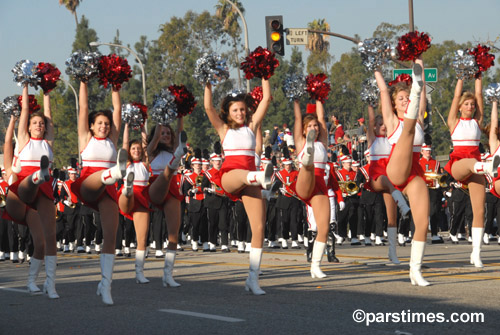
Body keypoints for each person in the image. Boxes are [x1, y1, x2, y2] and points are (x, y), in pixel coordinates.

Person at [204, 78, 272, 295]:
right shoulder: (224, 129)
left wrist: (265, 75)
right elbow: (208, 107)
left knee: (259, 228)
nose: (240, 113)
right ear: (228, 112)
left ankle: (253, 278)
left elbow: (267, 99)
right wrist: (207, 83)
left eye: (243, 109)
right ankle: (259, 177)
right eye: (235, 110)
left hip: (252, 180)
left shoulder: (251, 127)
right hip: (231, 177)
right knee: (245, 175)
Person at [374, 57, 430, 285]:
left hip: (414, 171)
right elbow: (382, 91)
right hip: (395, 168)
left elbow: (423, 92)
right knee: (407, 132)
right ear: (395, 104)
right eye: (401, 98)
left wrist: (420, 63)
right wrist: (375, 66)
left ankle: (414, 270)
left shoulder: (418, 120)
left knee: (423, 221)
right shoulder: (392, 119)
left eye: (408, 98)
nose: (405, 101)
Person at [71, 80, 127, 305]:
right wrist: (85, 80)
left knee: (111, 236)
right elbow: (83, 107)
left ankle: (105, 285)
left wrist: (116, 85)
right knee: (102, 178)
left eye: (106, 123)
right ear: (91, 126)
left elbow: (118, 111)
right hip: (88, 184)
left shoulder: (113, 140)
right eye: (99, 123)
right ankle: (114, 172)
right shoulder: (86, 138)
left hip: (108, 190)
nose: (104, 126)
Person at [5, 86, 59, 298]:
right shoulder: (24, 141)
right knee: (30, 182)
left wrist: (47, 91)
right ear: (27, 127)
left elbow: (49, 116)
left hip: (43, 194)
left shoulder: (48, 143)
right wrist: (26, 84)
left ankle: (46, 283)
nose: (39, 125)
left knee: (45, 241)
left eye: (42, 123)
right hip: (20, 193)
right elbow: (25, 110)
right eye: (35, 123)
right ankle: (38, 175)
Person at [445, 74, 498, 268]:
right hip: (459, 163)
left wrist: (479, 74)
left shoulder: (477, 121)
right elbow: (456, 95)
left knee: (479, 209)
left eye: (472, 105)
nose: (470, 107)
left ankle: (476, 253)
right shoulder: (454, 121)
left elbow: (478, 93)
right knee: (469, 162)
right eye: (466, 104)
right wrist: (460, 75)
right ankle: (487, 167)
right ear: (460, 106)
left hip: (476, 165)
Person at [364, 104, 411, 263]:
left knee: (392, 217)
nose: (383, 126)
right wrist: (370, 103)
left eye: (385, 124)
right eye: (379, 124)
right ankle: (403, 205)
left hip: (390, 178)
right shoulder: (372, 140)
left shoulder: (392, 141)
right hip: (377, 177)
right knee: (387, 180)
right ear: (375, 127)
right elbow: (370, 121)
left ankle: (392, 252)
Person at [292, 99, 330, 278]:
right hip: (305, 181)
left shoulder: (323, 142)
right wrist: (297, 100)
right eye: (310, 127)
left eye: (316, 126)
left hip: (320, 184)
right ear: (304, 130)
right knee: (307, 166)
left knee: (324, 227)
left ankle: (315, 266)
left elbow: (321, 117)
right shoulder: (299, 141)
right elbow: (298, 118)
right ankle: (307, 157)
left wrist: (319, 96)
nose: (314, 128)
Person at [146, 118, 187, 287]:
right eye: (162, 133)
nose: (165, 135)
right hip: (155, 188)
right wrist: (160, 120)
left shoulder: (173, 150)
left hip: (172, 190)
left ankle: (168, 274)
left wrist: (180, 115)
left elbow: (179, 132)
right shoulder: (151, 152)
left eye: (168, 133)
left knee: (173, 234)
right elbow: (155, 138)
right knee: (166, 173)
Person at [419, 144, 444, 244]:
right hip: (422, 189)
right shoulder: (418, 162)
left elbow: (439, 176)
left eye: (429, 150)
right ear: (422, 152)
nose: (428, 152)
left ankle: (434, 234)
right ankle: (418, 234)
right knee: (421, 212)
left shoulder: (436, 163)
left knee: (434, 212)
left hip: (433, 189)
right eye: (426, 150)